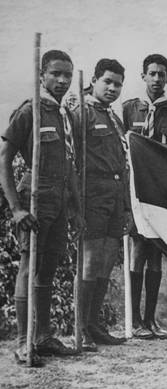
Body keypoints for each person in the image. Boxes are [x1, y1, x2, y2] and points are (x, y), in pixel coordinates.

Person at [0, 50, 82, 366]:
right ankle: (24, 342)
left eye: (67, 75)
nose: (62, 80)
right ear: (42, 75)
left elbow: (70, 164)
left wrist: (75, 208)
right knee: (29, 266)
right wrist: (16, 209)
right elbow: (4, 159)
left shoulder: (65, 114)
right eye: (55, 74)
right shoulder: (29, 111)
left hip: (59, 200)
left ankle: (43, 336)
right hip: (34, 198)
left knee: (48, 268)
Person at [122, 54, 167, 339]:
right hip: (136, 189)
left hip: (163, 190)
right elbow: (121, 147)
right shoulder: (129, 109)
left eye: (161, 74)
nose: (156, 78)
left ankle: (151, 320)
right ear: (143, 76)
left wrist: (149, 149)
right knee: (139, 248)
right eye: (151, 73)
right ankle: (135, 319)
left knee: (156, 252)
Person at [73, 58, 128, 351]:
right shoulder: (81, 112)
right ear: (94, 80)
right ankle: (80, 327)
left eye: (118, 84)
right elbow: (71, 157)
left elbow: (123, 162)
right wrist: (76, 200)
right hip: (91, 192)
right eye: (107, 81)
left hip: (115, 192)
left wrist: (126, 205)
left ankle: (94, 324)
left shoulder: (114, 118)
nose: (112, 88)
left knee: (107, 258)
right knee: (90, 259)